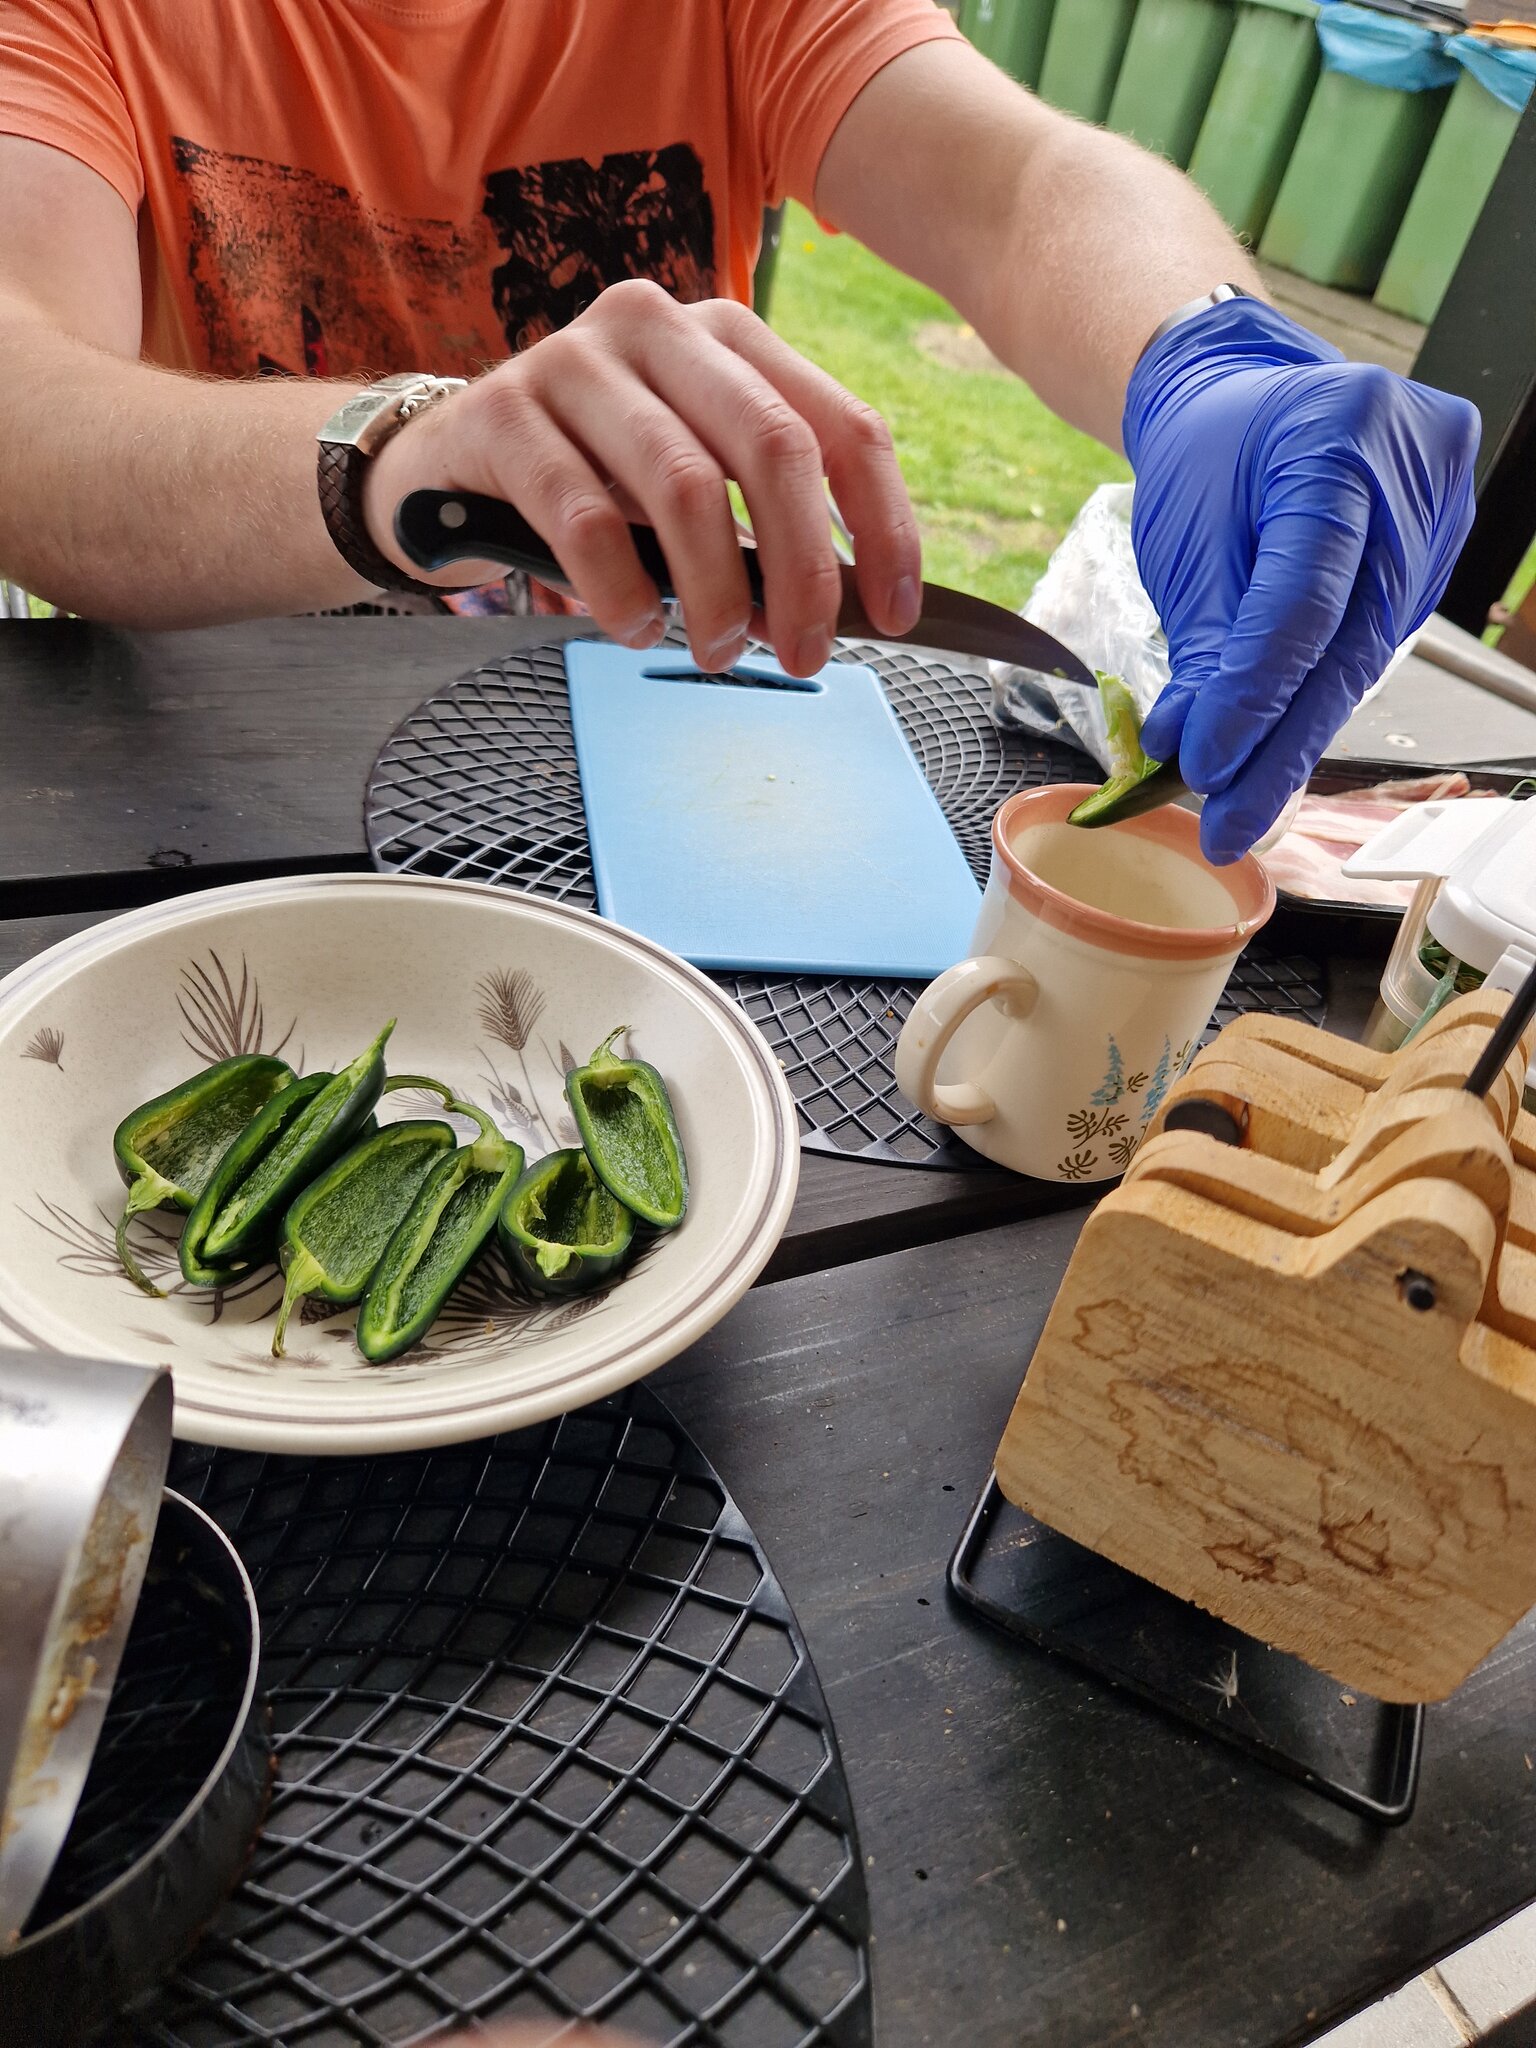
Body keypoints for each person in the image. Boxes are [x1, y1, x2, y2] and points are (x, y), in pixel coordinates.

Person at [0, 0, 1476, 861]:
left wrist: (1208, 355)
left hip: (662, 775)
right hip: (232, 793)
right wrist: (396, 457)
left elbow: (1019, 187)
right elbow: (28, 415)